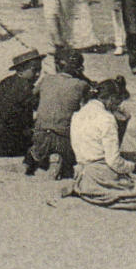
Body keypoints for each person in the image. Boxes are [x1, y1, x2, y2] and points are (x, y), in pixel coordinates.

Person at [62, 77, 136, 209]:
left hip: (81, 170)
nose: (119, 106)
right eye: (118, 102)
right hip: (100, 173)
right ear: (111, 99)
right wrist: (132, 167)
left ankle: (83, 187)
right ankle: (97, 189)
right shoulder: (107, 119)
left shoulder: (79, 113)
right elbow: (113, 161)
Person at [26, 49, 92, 178]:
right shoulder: (81, 84)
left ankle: (35, 157)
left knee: (39, 138)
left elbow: (31, 97)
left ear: (56, 66)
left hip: (40, 134)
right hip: (64, 137)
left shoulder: (46, 79)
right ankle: (61, 160)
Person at [0, 49, 44, 157]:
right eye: (34, 70)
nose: (37, 74)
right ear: (20, 71)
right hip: (0, 140)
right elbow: (40, 107)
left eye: (39, 70)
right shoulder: (25, 88)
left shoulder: (7, 81)